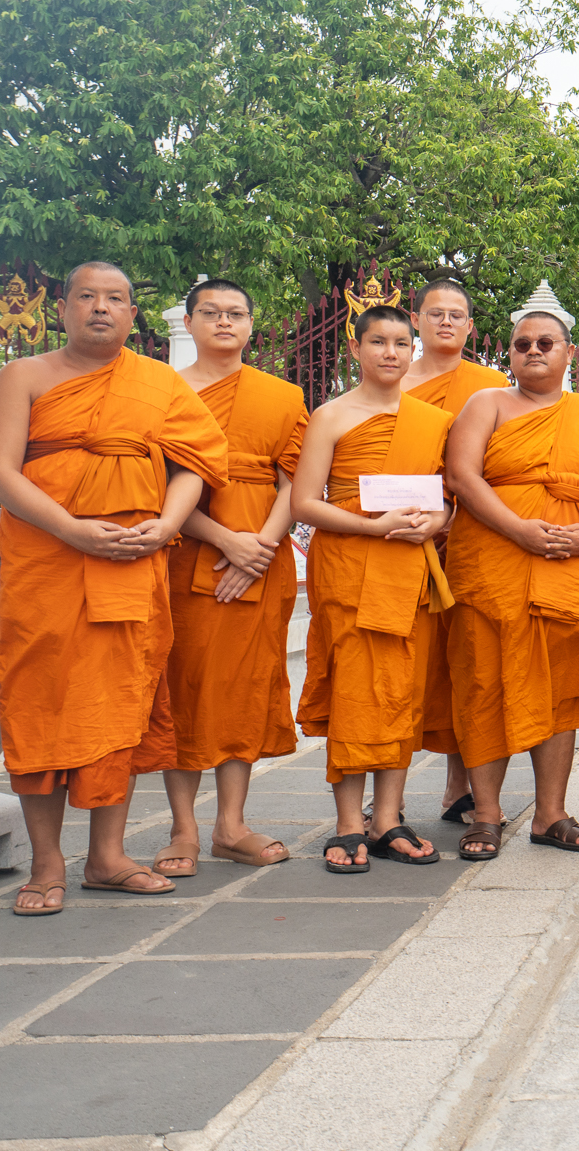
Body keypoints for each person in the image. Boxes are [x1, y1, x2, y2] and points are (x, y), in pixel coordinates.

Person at [0, 263, 229, 916]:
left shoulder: (156, 383)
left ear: (131, 314)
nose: (101, 307)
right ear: (61, 308)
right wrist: (73, 529)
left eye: (116, 298)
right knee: (39, 701)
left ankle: (108, 856)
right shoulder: (24, 376)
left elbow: (196, 465)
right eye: (87, 296)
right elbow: (0, 470)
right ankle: (45, 861)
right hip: (47, 561)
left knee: (118, 703)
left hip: (129, 561)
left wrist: (168, 525)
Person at [442, 311, 579, 860]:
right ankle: (486, 814)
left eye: (546, 342)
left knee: (562, 687)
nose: (534, 350)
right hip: (491, 560)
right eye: (522, 343)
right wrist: (520, 530)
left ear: (570, 353)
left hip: (569, 564)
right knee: (485, 681)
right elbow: (461, 477)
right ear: (508, 353)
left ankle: (550, 814)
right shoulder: (487, 404)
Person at [294, 306, 452, 873]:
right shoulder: (332, 416)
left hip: (409, 570)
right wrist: (370, 526)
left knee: (400, 691)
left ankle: (387, 820)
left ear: (413, 351)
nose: (390, 352)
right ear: (355, 349)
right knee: (354, 692)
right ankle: (346, 823)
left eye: (400, 343)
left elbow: (446, 497)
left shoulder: (432, 420)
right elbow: (304, 502)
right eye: (378, 341)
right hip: (351, 567)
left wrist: (438, 521)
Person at [159, 278, 306, 876]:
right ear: (189, 323)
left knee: (246, 688)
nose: (225, 322)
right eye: (211, 313)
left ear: (252, 325)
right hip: (188, 551)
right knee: (185, 687)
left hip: (263, 559)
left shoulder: (282, 395)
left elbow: (296, 480)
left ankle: (231, 823)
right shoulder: (161, 392)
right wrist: (223, 539)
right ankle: (183, 827)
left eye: (237, 313)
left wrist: (261, 549)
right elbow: (155, 486)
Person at [400, 279, 510, 826]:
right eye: (435, 313)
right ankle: (386, 791)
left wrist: (451, 514)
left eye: (457, 315)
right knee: (404, 666)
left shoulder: (489, 386)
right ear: (416, 320)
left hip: (468, 535)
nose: (446, 322)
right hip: (398, 533)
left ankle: (459, 788)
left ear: (470, 326)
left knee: (467, 663)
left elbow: (495, 469)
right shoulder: (391, 375)